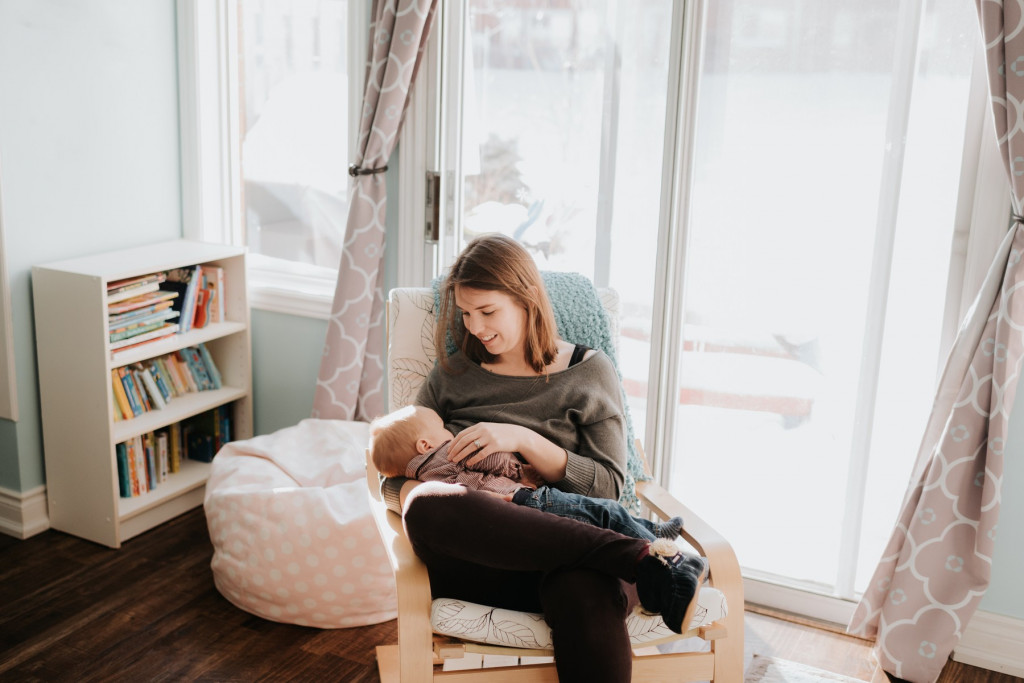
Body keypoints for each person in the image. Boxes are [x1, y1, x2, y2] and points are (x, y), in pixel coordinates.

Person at [380, 233, 707, 683]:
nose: (475, 327)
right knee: (427, 503)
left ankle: (636, 562)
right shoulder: (452, 375)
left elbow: (611, 486)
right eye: (467, 313)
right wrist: (419, 490)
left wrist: (524, 440)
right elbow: (394, 469)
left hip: (577, 562)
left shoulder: (589, 372)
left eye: (488, 311)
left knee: (584, 588)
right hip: (484, 560)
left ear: (527, 298)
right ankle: (644, 559)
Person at [370, 404, 685, 542]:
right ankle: (654, 541)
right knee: (601, 515)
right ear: (425, 443)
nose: (451, 433)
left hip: (506, 515)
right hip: (527, 499)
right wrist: (519, 468)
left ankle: (649, 536)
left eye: (488, 311)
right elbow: (489, 460)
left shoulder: (427, 474)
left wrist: (524, 439)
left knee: (595, 522)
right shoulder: (448, 451)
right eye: (443, 430)